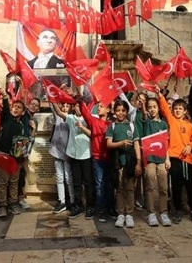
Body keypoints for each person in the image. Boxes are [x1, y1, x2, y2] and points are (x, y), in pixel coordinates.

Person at [157, 88, 192, 224]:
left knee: (190, 186)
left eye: (180, 108)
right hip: (175, 158)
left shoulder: (189, 125)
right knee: (176, 185)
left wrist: (190, 146)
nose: (177, 111)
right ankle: (178, 210)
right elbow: (164, 108)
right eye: (175, 108)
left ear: (185, 111)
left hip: (187, 160)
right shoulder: (172, 121)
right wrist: (160, 95)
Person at [106, 100, 142, 228]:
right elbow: (108, 144)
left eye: (123, 110)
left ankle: (129, 214)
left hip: (130, 162)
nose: (120, 113)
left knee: (130, 188)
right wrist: (120, 144)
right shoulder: (112, 127)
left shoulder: (132, 126)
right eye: (118, 110)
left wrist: (139, 162)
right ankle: (121, 213)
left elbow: (137, 144)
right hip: (117, 162)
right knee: (120, 188)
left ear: (127, 112)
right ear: (114, 112)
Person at [136, 97, 171, 227]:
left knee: (163, 186)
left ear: (158, 108)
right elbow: (144, 115)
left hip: (161, 159)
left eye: (154, 107)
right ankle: (151, 212)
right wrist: (143, 105)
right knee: (150, 184)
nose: (152, 109)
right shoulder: (146, 122)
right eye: (150, 107)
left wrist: (167, 158)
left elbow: (165, 142)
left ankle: (163, 212)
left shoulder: (163, 124)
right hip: (149, 158)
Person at [78, 91, 112, 222]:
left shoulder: (111, 124)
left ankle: (111, 207)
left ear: (108, 109)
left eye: (101, 106)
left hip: (109, 158)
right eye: (97, 106)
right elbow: (85, 113)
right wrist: (81, 101)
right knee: (99, 184)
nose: (98, 108)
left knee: (109, 184)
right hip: (97, 158)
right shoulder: (94, 121)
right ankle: (101, 209)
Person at [0, 94, 30, 218]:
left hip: (16, 157)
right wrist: (5, 97)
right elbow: (5, 108)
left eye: (19, 107)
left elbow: (24, 140)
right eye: (14, 106)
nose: (15, 109)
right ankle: (2, 205)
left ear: (23, 111)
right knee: (3, 181)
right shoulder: (7, 118)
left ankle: (13, 203)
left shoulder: (21, 124)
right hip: (4, 154)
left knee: (14, 181)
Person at [49, 102, 75, 214]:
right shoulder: (58, 117)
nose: (64, 108)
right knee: (59, 177)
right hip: (56, 150)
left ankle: (72, 201)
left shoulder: (71, 118)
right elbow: (52, 105)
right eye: (63, 106)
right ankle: (62, 201)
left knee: (68, 177)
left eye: (67, 106)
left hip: (67, 152)